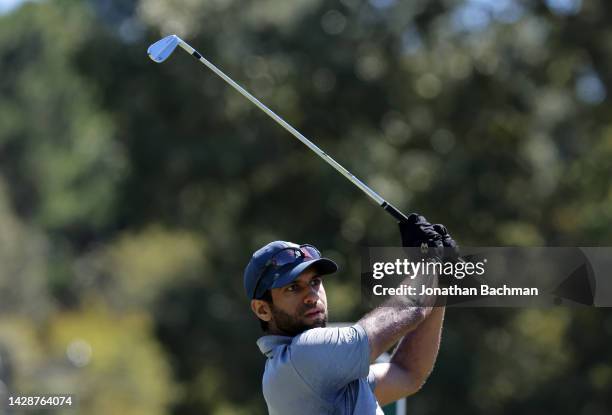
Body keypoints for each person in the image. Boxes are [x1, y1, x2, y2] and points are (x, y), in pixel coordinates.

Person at [243, 213, 457, 414]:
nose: (311, 295)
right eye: (293, 288)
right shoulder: (303, 355)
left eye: (315, 282)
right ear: (262, 309)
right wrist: (431, 262)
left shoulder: (314, 371)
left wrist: (439, 281)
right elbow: (410, 308)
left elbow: (407, 371)